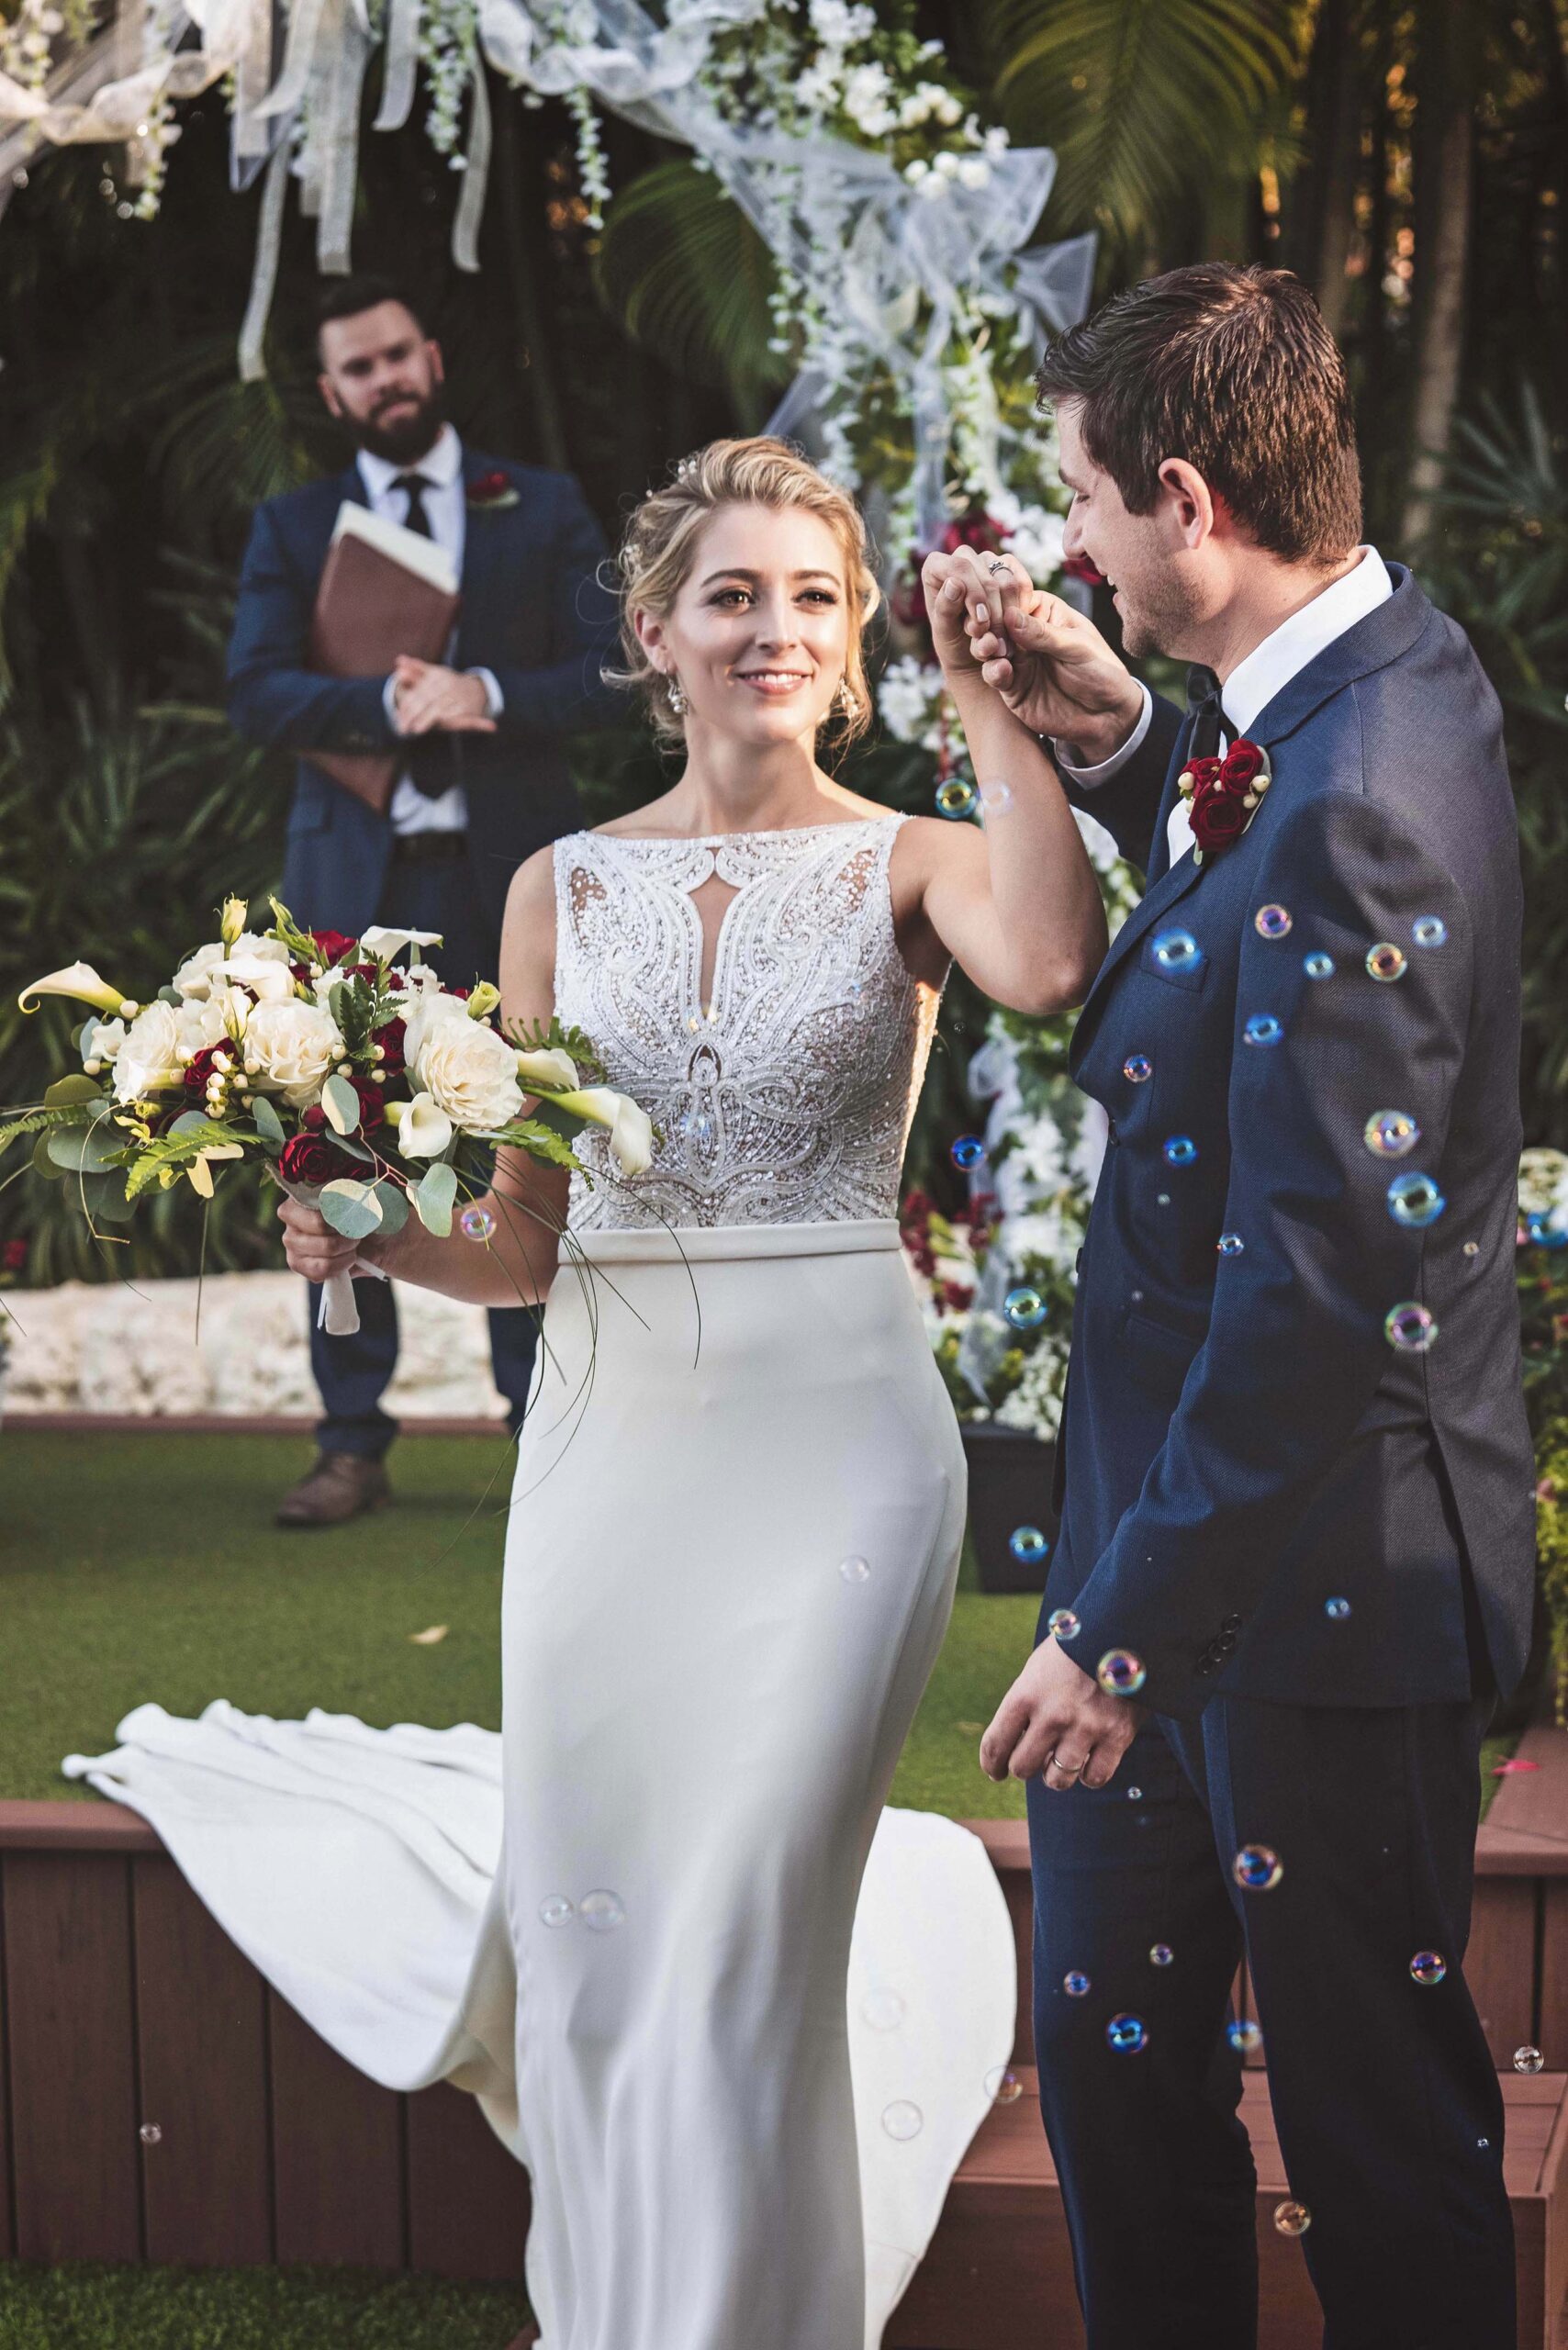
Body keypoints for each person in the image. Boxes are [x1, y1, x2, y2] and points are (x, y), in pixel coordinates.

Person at [279, 437, 1106, 2348]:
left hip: (841, 1460)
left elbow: (1055, 959)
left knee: (743, 1935)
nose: (773, 630)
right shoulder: (554, 889)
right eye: (732, 595)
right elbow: (522, 1235)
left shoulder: (917, 858)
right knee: (594, 1939)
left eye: (813, 598)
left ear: (854, 639)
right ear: (654, 632)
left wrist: (987, 698)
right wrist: (367, 1229)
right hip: (607, 1457)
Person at [949, 264, 1533, 2348]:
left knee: (1376, 2143)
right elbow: (1241, 909)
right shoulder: (1348, 687)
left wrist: (1120, 1627)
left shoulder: (1366, 782)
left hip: (1321, 1586)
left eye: (1083, 497)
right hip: (1183, 1536)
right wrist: (1113, 731)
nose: (1072, 538)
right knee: (1118, 2092)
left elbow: (1312, 1282)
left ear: (1184, 500)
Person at [228, 274, 619, 1528]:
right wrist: (383, 705)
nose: (385, 378)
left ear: (432, 359)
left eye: (398, 354)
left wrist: (484, 693)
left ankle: (535, 1424)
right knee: (332, 1142)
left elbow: (612, 669)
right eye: (360, 366)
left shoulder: (540, 504)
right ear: (332, 390)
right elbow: (255, 691)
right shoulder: (296, 524)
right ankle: (350, 1437)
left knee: (517, 1136)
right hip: (356, 884)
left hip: (509, 881)